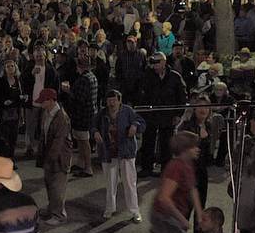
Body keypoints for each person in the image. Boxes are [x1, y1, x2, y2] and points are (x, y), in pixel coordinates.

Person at [119, 130, 204, 233]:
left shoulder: (187, 165)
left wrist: (199, 214)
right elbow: (164, 198)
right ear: (185, 149)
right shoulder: (176, 167)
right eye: (194, 147)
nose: (197, 149)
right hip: (166, 217)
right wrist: (182, 219)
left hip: (164, 216)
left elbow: (192, 189)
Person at [95, 89, 145, 222]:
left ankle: (135, 211)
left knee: (129, 183)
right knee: (110, 183)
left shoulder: (128, 111)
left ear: (119, 101)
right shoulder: (102, 112)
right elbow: (93, 124)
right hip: (108, 152)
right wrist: (95, 132)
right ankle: (110, 208)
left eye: (114, 100)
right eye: (109, 100)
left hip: (126, 152)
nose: (111, 103)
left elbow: (141, 123)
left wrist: (135, 125)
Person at [138, 52, 187, 177]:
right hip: (151, 114)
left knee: (166, 144)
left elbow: (182, 97)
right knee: (148, 142)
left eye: (157, 62)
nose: (155, 66)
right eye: (153, 63)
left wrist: (178, 114)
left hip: (168, 115)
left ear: (164, 62)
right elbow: (142, 95)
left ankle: (166, 170)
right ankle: (146, 167)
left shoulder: (175, 77)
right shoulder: (148, 76)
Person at [36, 87, 72, 225]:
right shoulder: (47, 112)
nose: (41, 104)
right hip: (49, 156)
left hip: (60, 158)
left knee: (57, 186)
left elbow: (59, 141)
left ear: (50, 101)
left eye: (43, 101)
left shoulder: (62, 118)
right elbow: (44, 136)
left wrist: (50, 160)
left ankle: (59, 215)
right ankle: (52, 209)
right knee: (50, 184)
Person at [66, 52, 99, 177]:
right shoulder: (92, 77)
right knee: (81, 140)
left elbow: (79, 99)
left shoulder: (83, 80)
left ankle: (88, 167)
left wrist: (69, 91)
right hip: (89, 114)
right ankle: (81, 163)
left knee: (84, 141)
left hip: (82, 116)